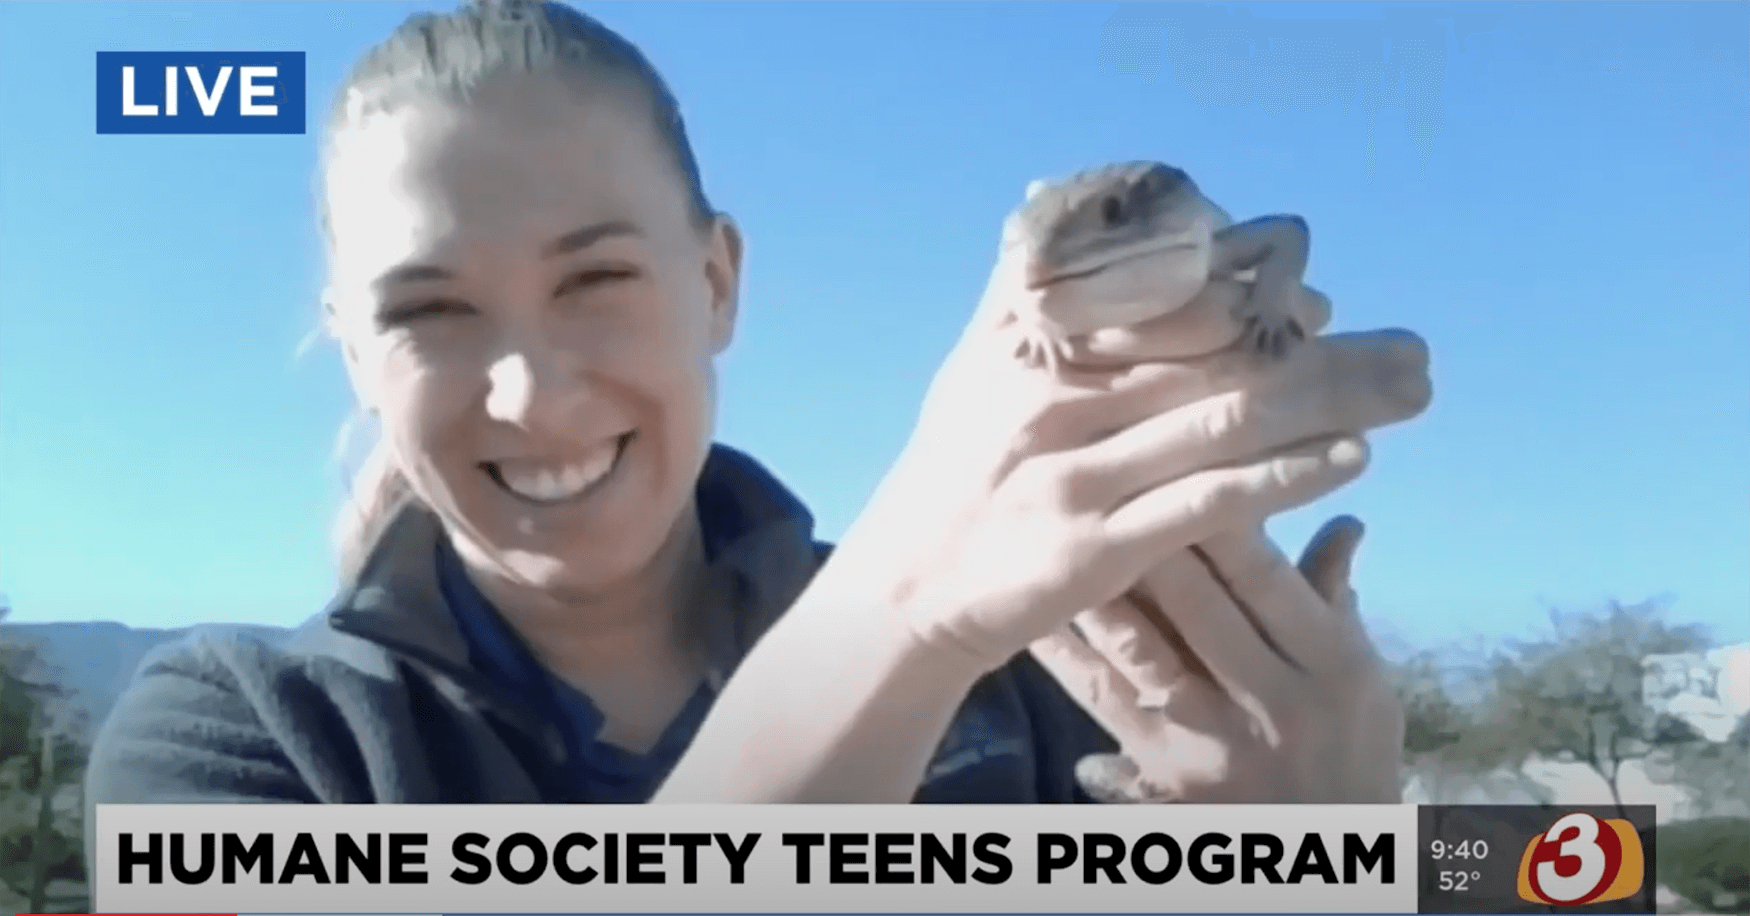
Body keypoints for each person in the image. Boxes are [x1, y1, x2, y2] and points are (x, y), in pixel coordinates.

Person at [84, 0, 1431, 816]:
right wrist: (901, 617)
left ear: (718, 282)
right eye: (429, 310)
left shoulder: (1041, 687)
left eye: (597, 279)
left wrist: (1316, 859)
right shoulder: (241, 743)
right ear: (355, 351)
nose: (531, 392)